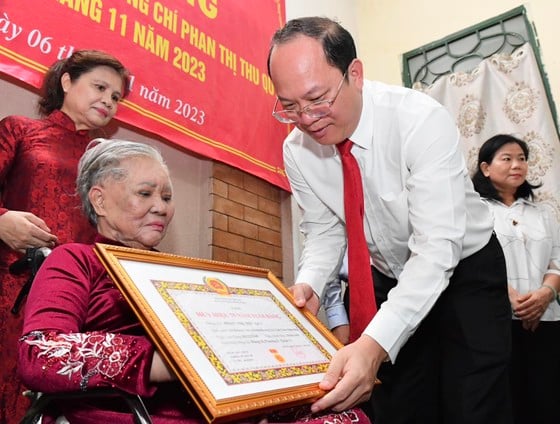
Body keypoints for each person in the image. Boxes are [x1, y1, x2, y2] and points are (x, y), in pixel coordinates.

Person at [17, 139, 371, 424]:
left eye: (167, 197)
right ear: (100, 200)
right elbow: (40, 353)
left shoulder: (179, 274)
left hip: (220, 406)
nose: (161, 207)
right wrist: (172, 361)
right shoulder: (76, 260)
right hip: (133, 410)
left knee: (344, 415)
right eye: (145, 193)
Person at [267, 16, 513, 424]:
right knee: (399, 405)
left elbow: (437, 248)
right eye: (289, 106)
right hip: (386, 278)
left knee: (472, 403)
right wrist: (310, 281)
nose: (306, 119)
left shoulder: (419, 120)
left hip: (465, 275)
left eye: (317, 99)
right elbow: (326, 230)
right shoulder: (298, 150)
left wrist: (374, 343)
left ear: (355, 74)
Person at [0, 49, 129, 422]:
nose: (108, 101)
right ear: (67, 81)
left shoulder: (108, 161)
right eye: (100, 87)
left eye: (116, 97)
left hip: (83, 300)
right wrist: (2, 221)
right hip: (14, 291)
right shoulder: (20, 130)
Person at [472, 134, 560, 424]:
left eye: (521, 158)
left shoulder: (542, 213)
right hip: (497, 322)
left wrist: (545, 294)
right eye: (506, 158)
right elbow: (473, 263)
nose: (516, 165)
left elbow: (557, 262)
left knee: (547, 397)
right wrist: (513, 299)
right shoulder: (476, 210)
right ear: (486, 168)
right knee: (508, 399)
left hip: (546, 318)